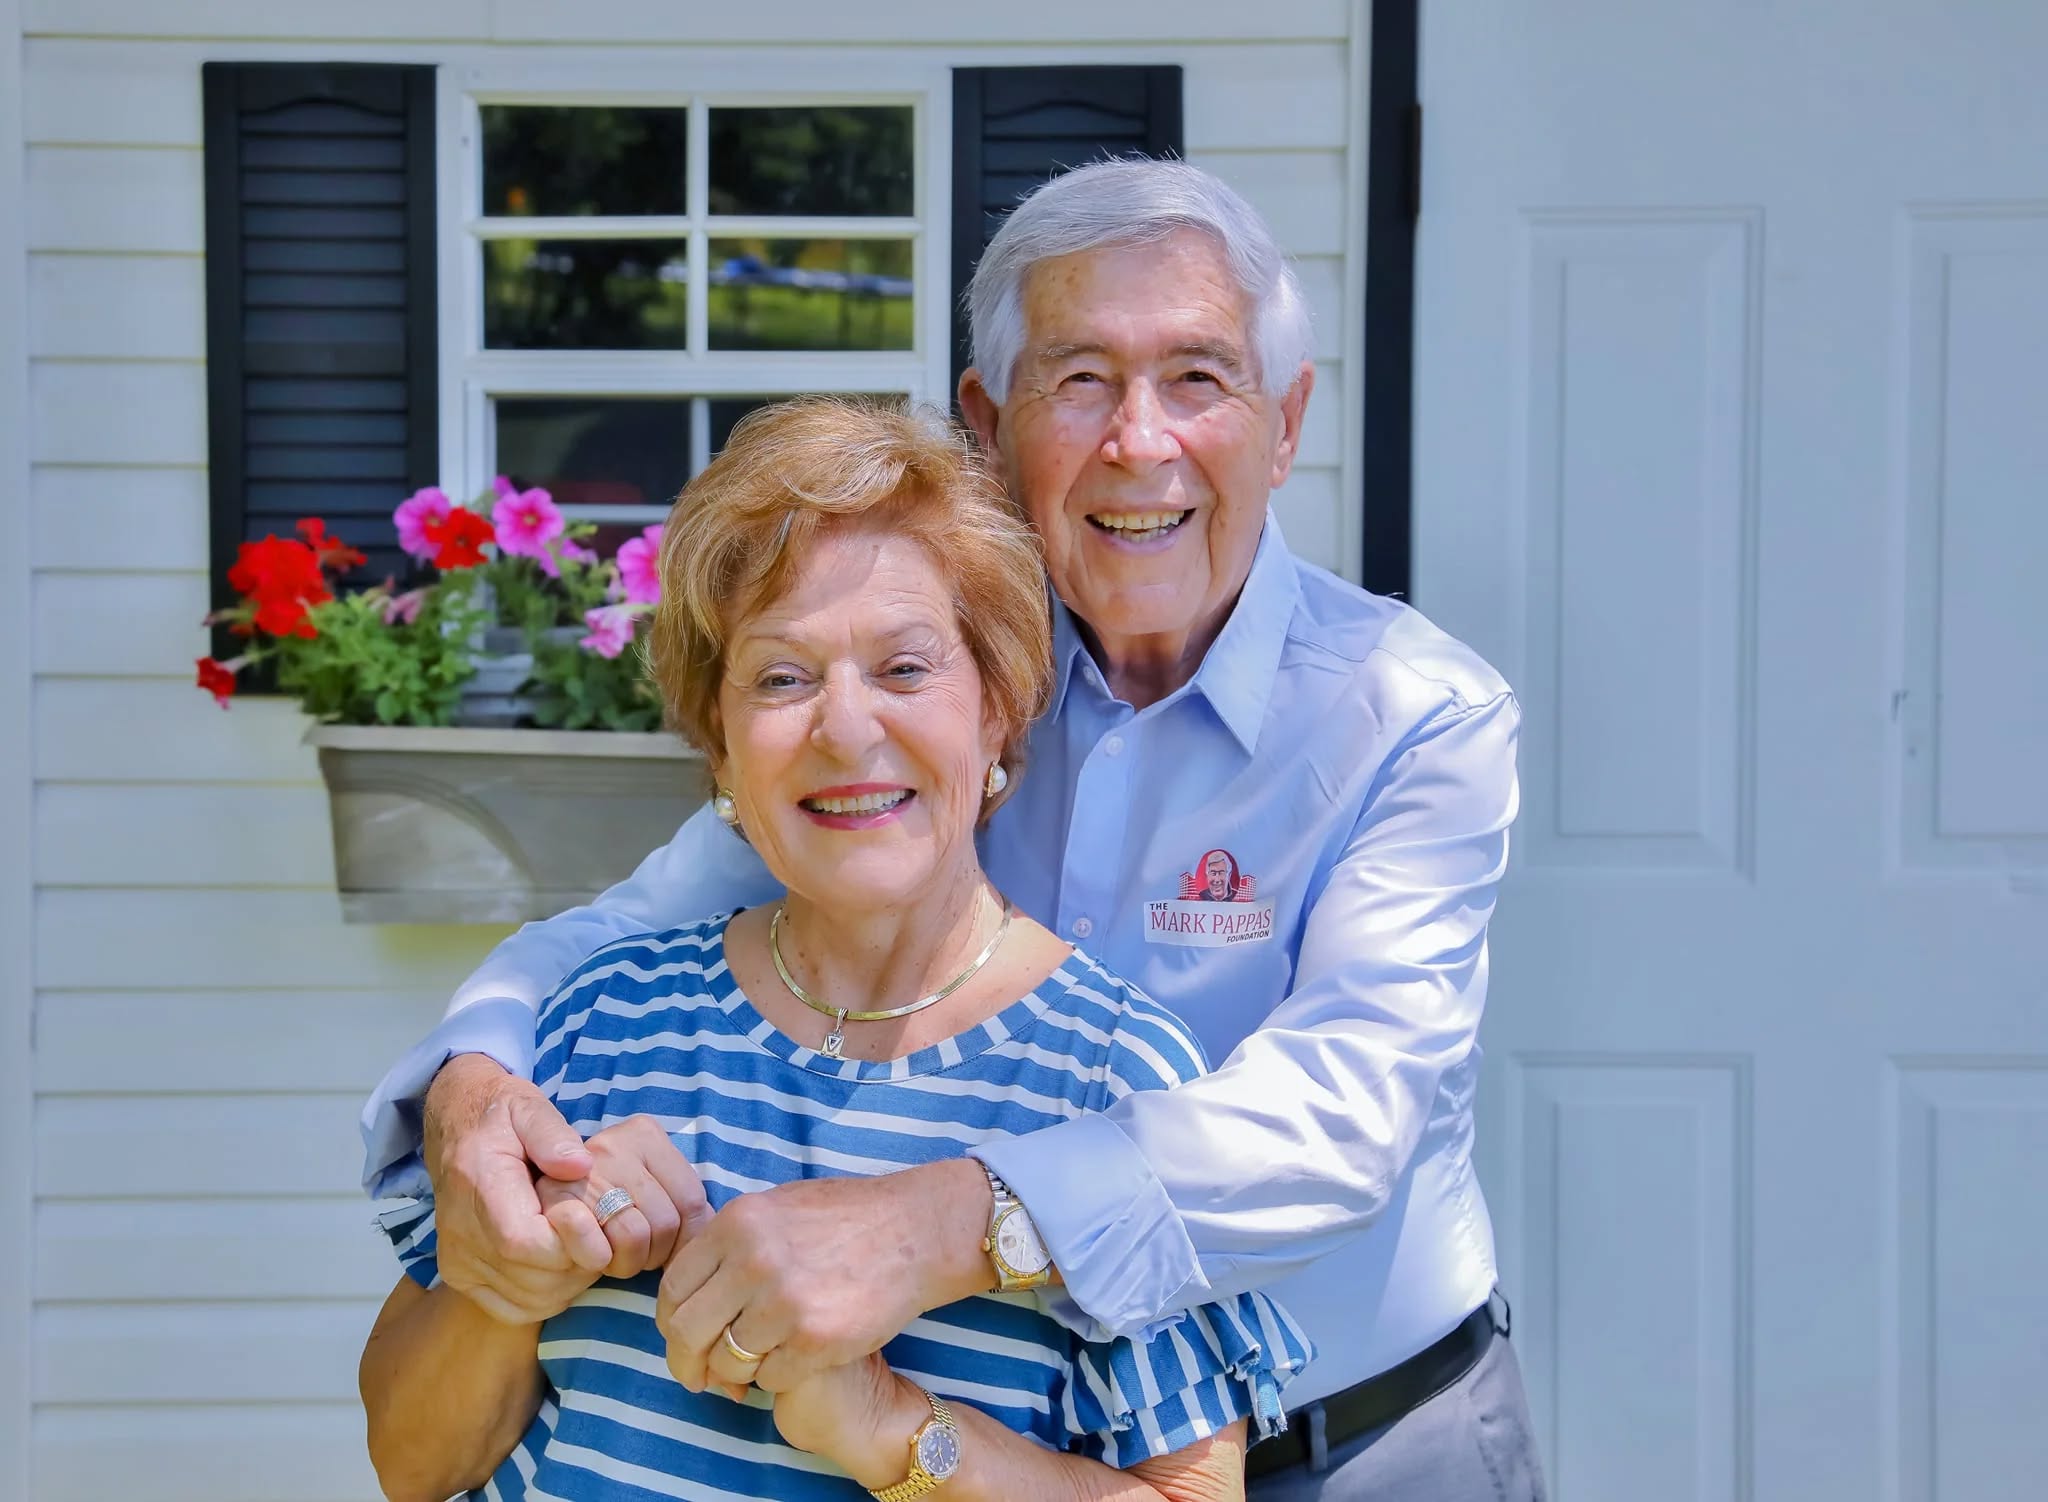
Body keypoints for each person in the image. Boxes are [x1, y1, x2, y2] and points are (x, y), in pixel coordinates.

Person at [363, 159, 1546, 1499]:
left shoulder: (1413, 713)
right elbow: (631, 925)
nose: (1139, 442)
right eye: (1080, 379)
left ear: (1286, 424)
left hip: (1371, 1434)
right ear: (990, 425)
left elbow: (1342, 1116)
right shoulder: (920, 674)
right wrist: (473, 1085)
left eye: (1199, 379)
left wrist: (944, 1219)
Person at [358, 398, 1311, 1501]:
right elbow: (410, 1463)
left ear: (997, 708)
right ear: (719, 744)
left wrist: (891, 1427)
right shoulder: (595, 1019)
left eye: (904, 669)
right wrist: (514, 1281)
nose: (845, 727)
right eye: (780, 676)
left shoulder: (1111, 1076)